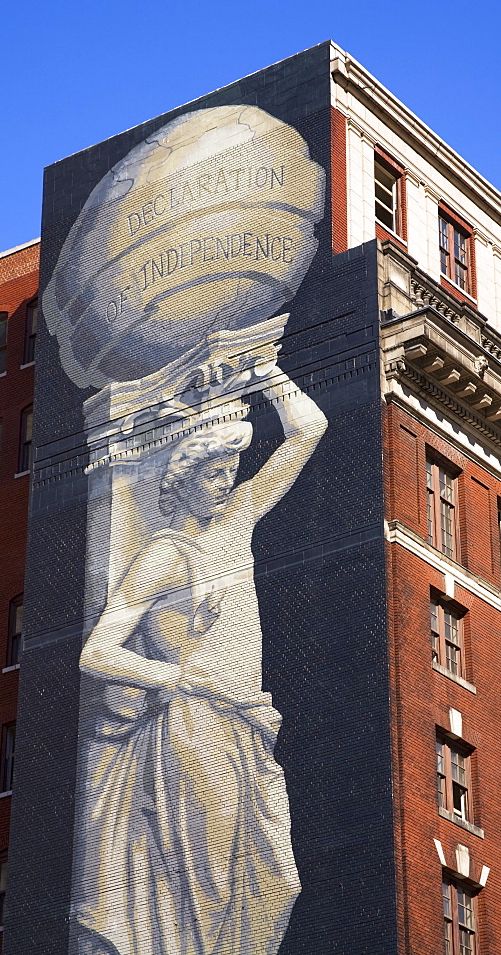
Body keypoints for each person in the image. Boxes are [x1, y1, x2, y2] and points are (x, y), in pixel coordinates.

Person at [75, 363, 327, 955]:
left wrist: (265, 373)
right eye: (213, 469)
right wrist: (180, 675)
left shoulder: (236, 525)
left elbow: (309, 427)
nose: (224, 480)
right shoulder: (164, 555)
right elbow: (97, 651)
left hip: (248, 724)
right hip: (195, 725)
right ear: (183, 478)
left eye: (230, 469)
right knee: (210, 887)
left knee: (276, 882)